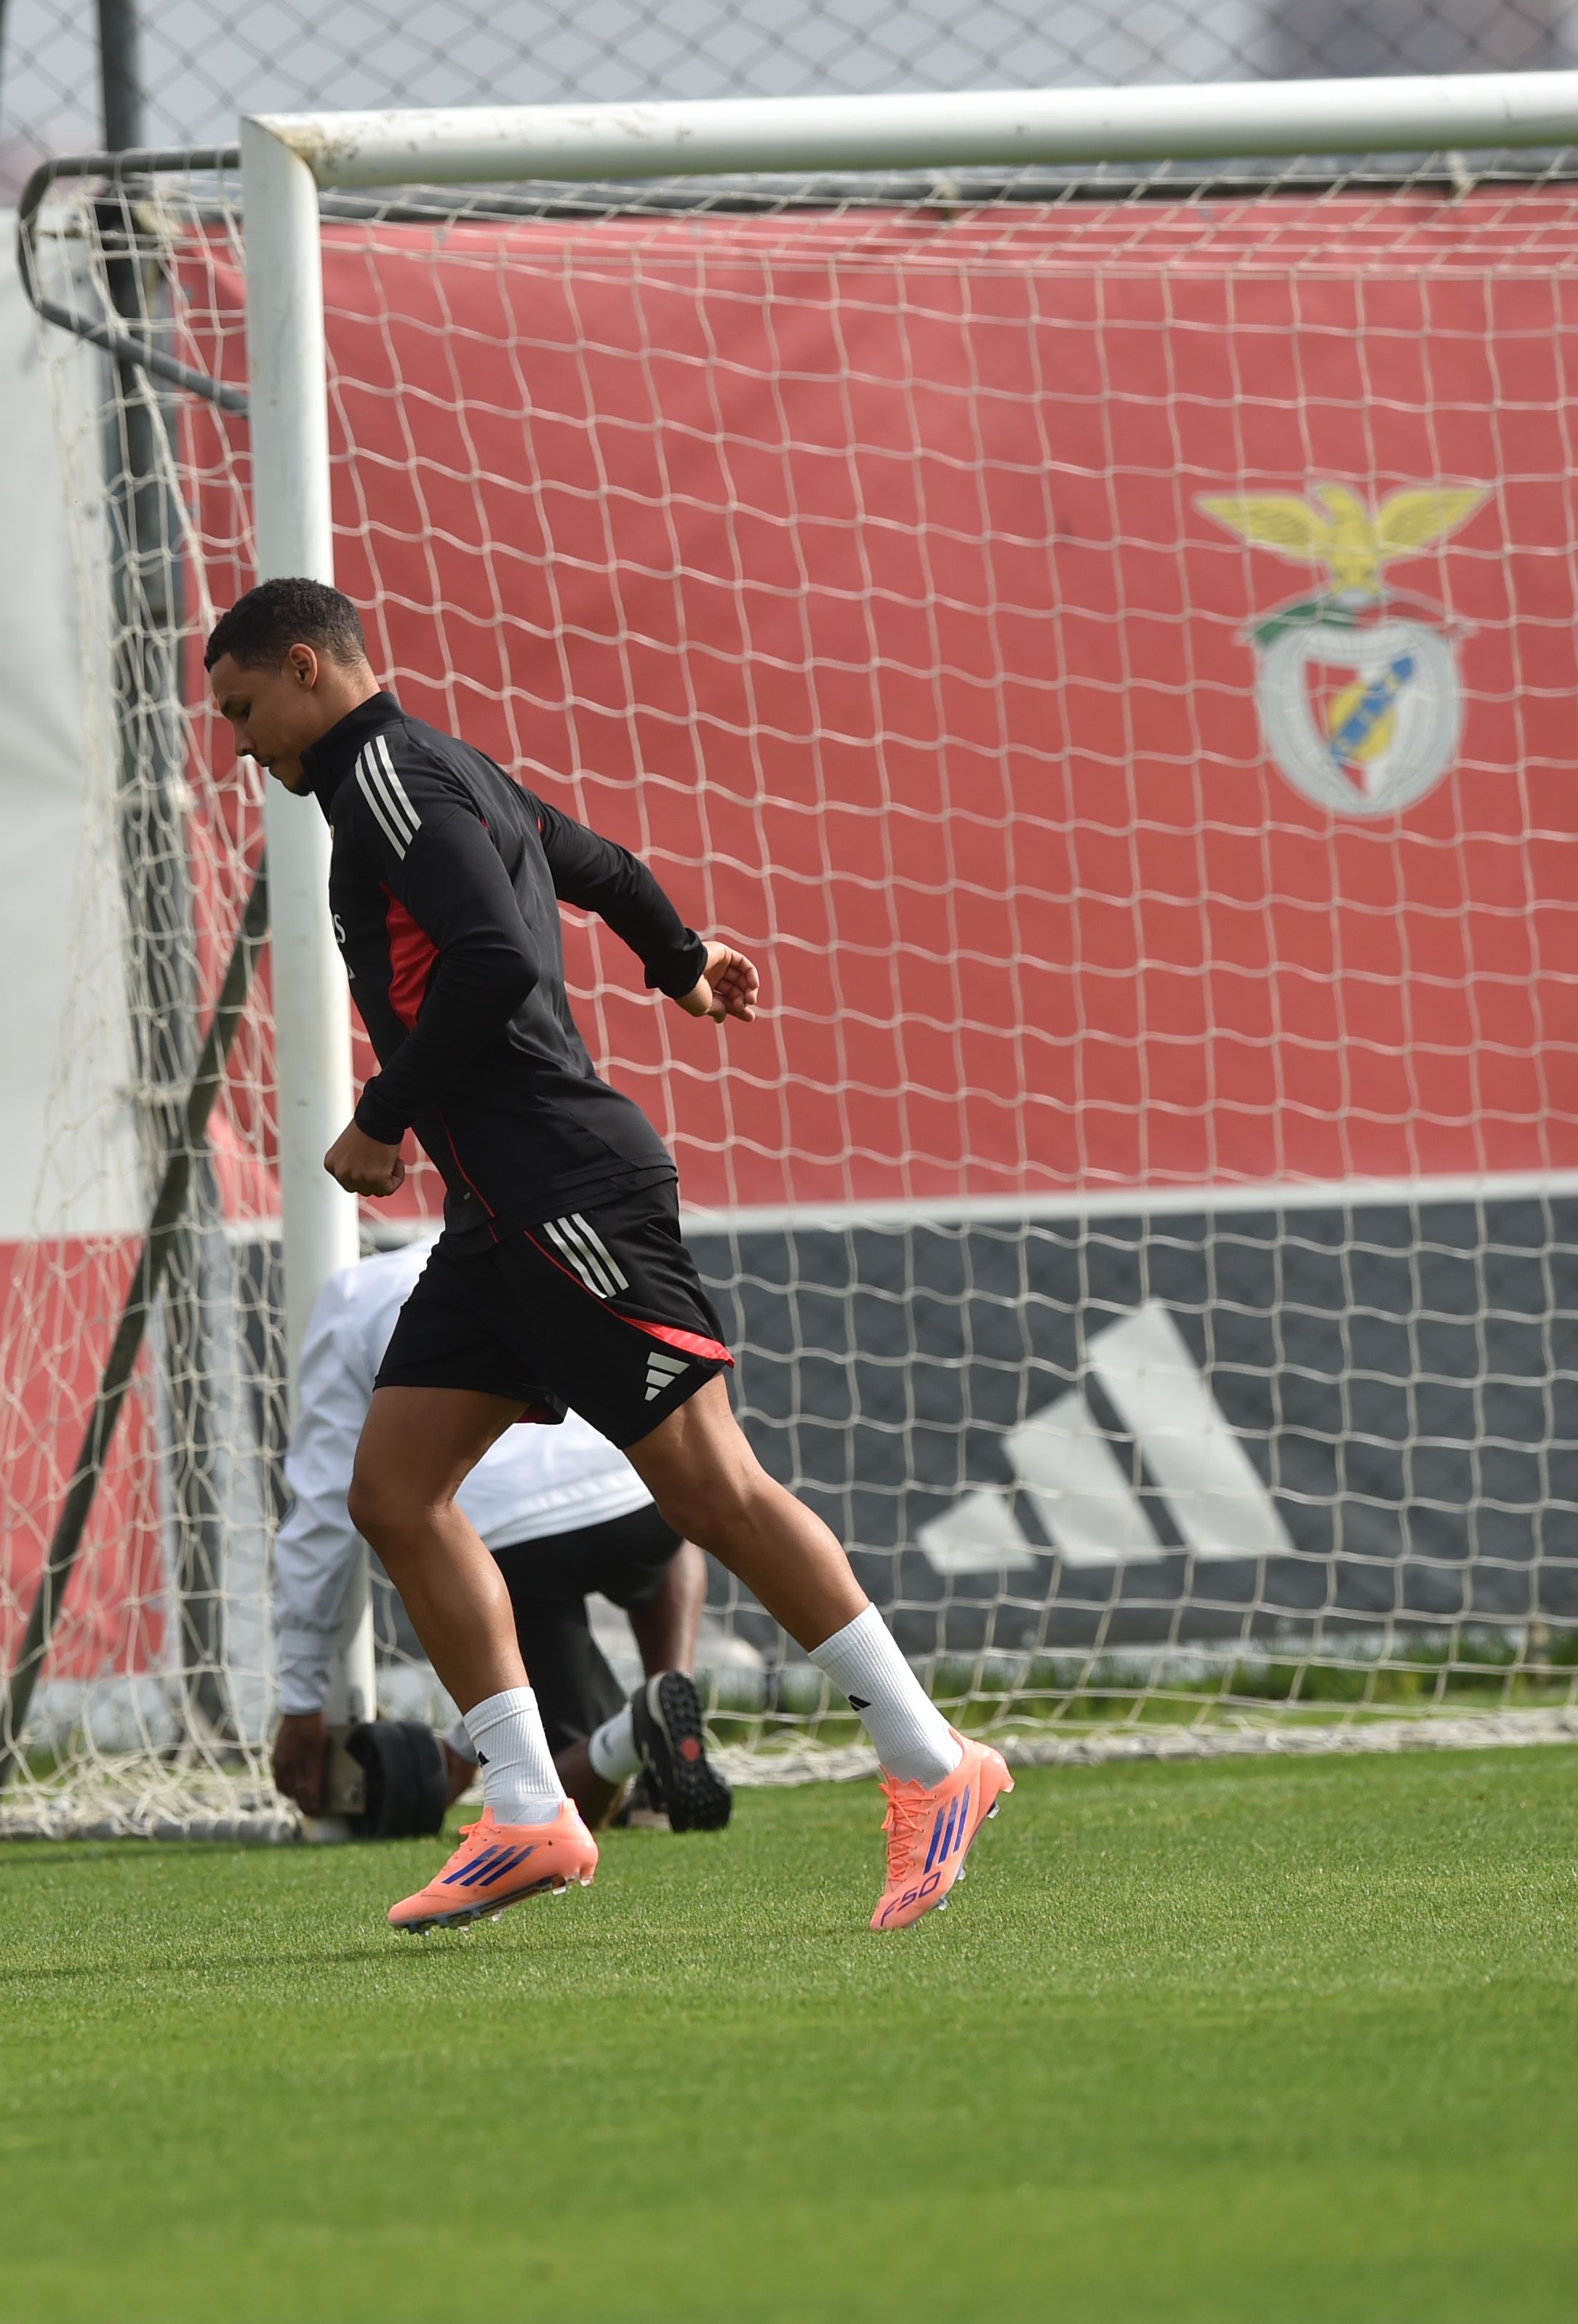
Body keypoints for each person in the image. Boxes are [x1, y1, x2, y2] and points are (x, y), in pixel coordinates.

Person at [203, 576, 1010, 1935]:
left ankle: (933, 1763)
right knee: (393, 1493)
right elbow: (602, 865)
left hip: (564, 1191)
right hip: (496, 1218)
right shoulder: (435, 772)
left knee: (713, 1492)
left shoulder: (388, 776)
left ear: (304, 668)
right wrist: (680, 960)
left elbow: (490, 961)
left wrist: (383, 1116)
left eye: (241, 710)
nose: (238, 744)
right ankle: (529, 1807)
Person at [270, 1238, 731, 1833]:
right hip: (638, 1504)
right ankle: (672, 1696)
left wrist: (302, 1700)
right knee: (667, 1511)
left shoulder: (353, 1294)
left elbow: (325, 1515)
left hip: (514, 1546)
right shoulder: (531, 1239)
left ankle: (634, 1736)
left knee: (550, 1772)